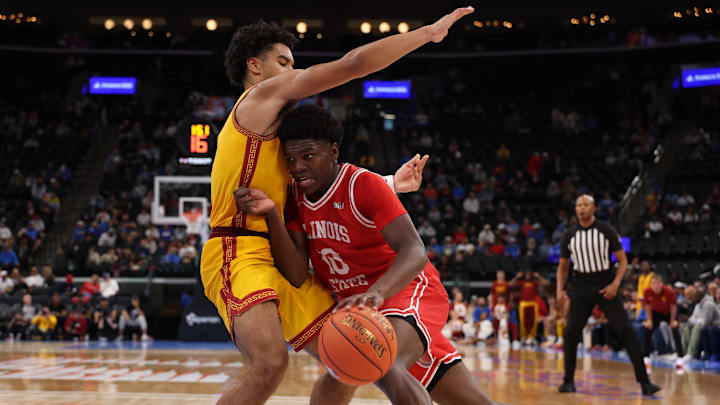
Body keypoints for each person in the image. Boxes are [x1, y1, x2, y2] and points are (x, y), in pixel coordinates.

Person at [200, 8, 472, 405]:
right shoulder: (258, 99)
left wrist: (391, 183)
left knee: (358, 354)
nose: (293, 71)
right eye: (283, 62)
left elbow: (327, 189)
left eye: (294, 64)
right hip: (237, 250)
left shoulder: (284, 147)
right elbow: (355, 64)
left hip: (278, 257)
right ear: (254, 66)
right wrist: (427, 34)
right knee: (270, 364)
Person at [234, 104, 494, 405]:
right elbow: (294, 273)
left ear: (333, 151)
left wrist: (377, 293)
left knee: (386, 366)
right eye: (291, 159)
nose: (299, 167)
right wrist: (272, 216)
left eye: (308, 156)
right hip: (360, 307)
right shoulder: (295, 197)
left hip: (406, 291)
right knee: (339, 380)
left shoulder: (363, 184)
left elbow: (415, 251)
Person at [556, 195, 659, 396]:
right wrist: (560, 290)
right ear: (575, 209)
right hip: (581, 286)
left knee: (626, 330)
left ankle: (645, 383)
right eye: (578, 205)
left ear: (593, 208)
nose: (581, 208)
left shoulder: (606, 230)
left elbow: (622, 261)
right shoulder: (569, 234)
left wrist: (615, 284)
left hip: (606, 285)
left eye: (585, 204)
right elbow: (562, 267)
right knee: (570, 333)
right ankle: (568, 381)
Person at [642, 275, 683, 357]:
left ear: (662, 284)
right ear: (650, 284)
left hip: (668, 312)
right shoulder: (647, 291)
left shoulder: (669, 292)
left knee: (674, 327)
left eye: (658, 283)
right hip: (655, 313)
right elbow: (647, 306)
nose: (656, 286)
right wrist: (649, 320)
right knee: (648, 328)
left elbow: (673, 306)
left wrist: (672, 321)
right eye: (654, 284)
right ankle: (646, 355)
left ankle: (680, 355)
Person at [509, 269, 549, 345]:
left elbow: (546, 283)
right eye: (526, 274)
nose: (528, 275)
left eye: (529, 274)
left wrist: (539, 276)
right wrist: (517, 277)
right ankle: (524, 337)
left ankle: (532, 337)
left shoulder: (534, 283)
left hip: (533, 303)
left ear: (531, 275)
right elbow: (510, 284)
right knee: (523, 321)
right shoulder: (522, 282)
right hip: (523, 304)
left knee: (533, 321)